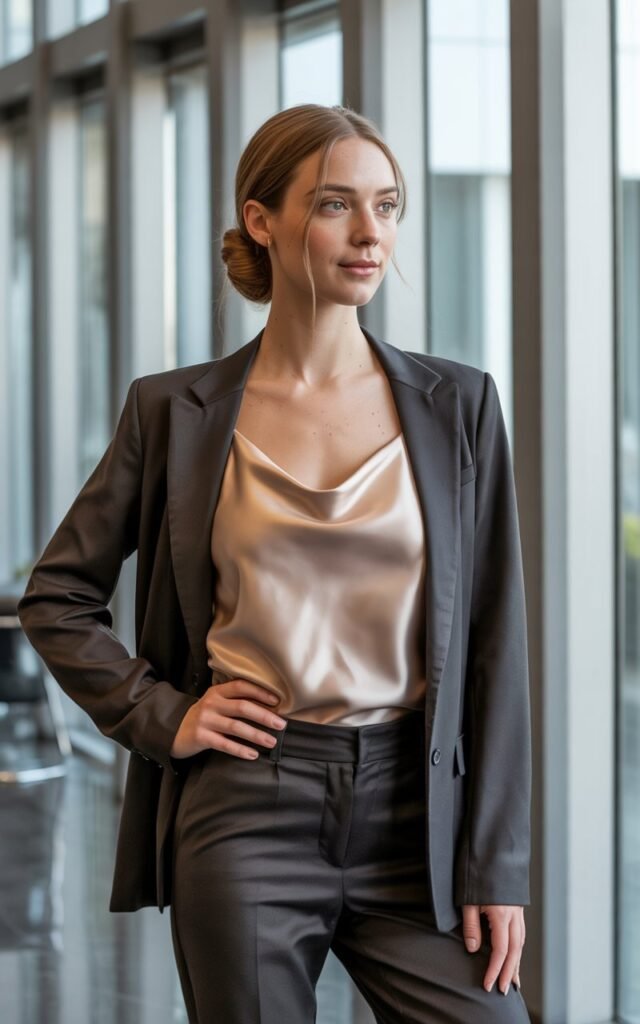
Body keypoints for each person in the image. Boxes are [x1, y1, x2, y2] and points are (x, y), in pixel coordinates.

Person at [17, 103, 532, 1023]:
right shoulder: (175, 413)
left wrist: (498, 866)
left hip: (418, 812)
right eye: (337, 204)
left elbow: (495, 643)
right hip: (249, 804)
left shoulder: (459, 405)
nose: (371, 234)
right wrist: (161, 715)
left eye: (388, 205)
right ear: (263, 219)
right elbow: (58, 594)